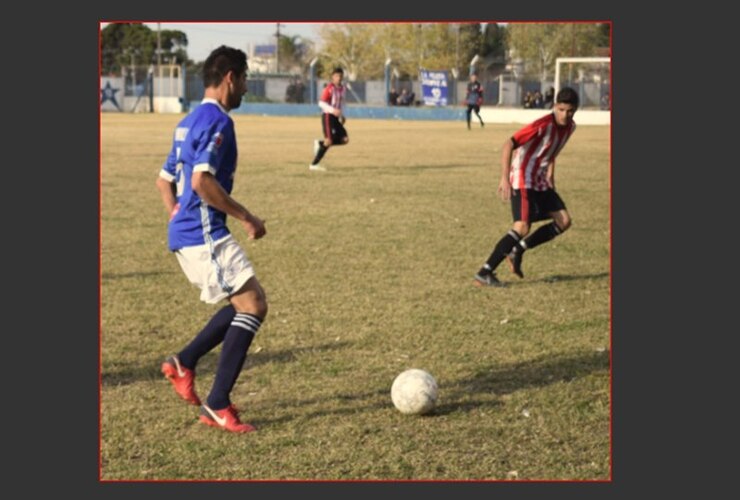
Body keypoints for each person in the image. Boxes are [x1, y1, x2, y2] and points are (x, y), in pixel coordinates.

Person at [155, 46, 268, 433]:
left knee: (242, 302)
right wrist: (247, 217)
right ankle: (217, 404)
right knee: (253, 305)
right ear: (231, 78)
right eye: (246, 80)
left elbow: (164, 180)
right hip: (204, 233)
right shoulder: (219, 122)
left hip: (187, 231)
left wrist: (175, 211)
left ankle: (184, 360)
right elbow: (202, 182)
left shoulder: (187, 121)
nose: (246, 90)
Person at [473, 87, 580, 287]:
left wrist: (550, 174)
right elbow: (509, 144)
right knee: (522, 226)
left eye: (570, 111)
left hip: (540, 180)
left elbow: (551, 151)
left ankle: (518, 250)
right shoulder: (542, 125)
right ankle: (484, 272)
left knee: (563, 221)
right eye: (562, 110)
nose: (565, 115)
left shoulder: (571, 127)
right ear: (555, 106)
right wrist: (504, 178)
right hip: (522, 177)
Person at [309, 67, 349, 172]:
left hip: (336, 117)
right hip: (327, 116)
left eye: (340, 76)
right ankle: (314, 164)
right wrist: (332, 110)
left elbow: (342, 103)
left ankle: (320, 144)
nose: (339, 78)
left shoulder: (343, 88)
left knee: (345, 139)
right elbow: (321, 103)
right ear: (332, 77)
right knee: (329, 140)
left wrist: (342, 115)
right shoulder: (329, 88)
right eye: (337, 76)